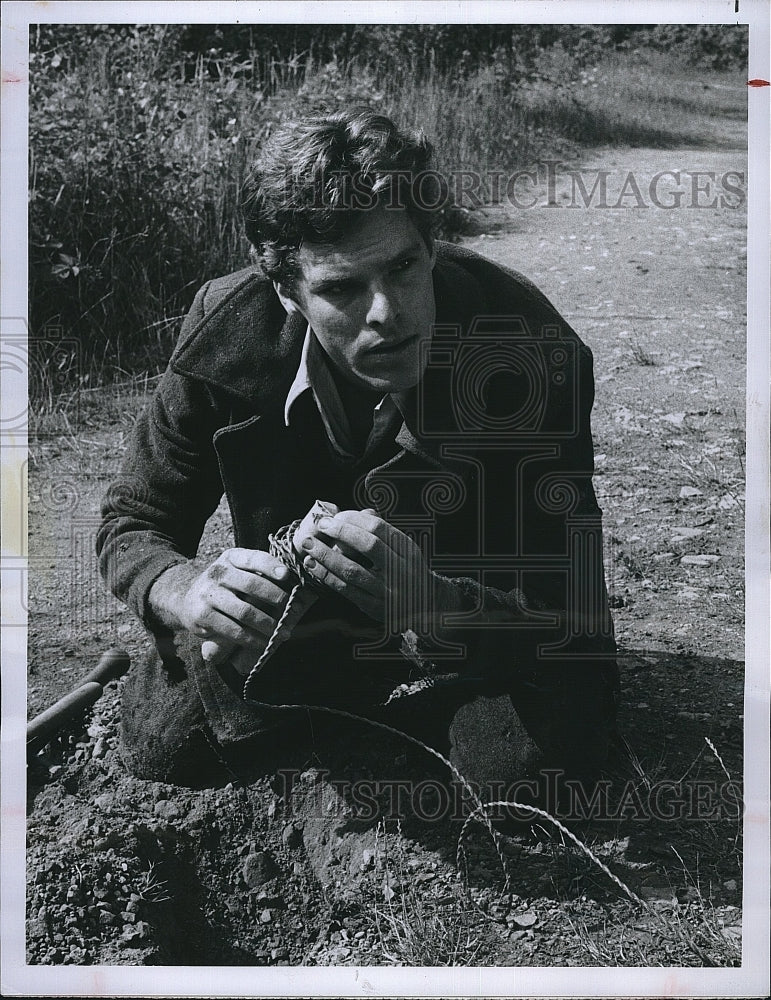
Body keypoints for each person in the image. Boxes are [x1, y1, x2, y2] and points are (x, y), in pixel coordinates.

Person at [97, 108, 618, 800]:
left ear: (430, 248)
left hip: (474, 616)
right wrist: (184, 591)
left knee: (532, 773)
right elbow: (133, 518)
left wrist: (436, 606)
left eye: (402, 267)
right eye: (342, 288)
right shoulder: (224, 335)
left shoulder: (531, 356)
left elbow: (570, 612)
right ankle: (340, 687)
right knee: (166, 743)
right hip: (302, 619)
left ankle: (389, 700)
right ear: (288, 291)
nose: (387, 313)